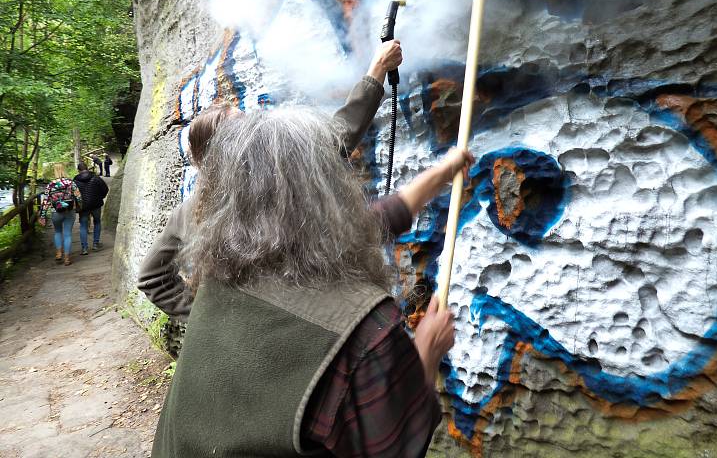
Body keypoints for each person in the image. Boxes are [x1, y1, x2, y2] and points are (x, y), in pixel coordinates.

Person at [151, 108, 472, 457]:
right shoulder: (366, 330)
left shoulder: (218, 277)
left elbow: (372, 222)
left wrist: (442, 172)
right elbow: (396, 445)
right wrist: (427, 351)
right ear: (327, 189)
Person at [138, 39, 404, 320]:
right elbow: (339, 136)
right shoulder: (280, 182)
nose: (256, 129)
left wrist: (205, 321)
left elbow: (150, 277)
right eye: (244, 128)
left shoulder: (191, 210)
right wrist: (377, 67)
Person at [38, 164, 82, 266]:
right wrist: (80, 206)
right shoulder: (71, 183)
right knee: (67, 234)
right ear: (64, 170)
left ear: (55, 171)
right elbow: (78, 197)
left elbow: (46, 201)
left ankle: (58, 253)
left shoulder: (50, 185)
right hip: (69, 211)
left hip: (55, 212)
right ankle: (67, 258)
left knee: (57, 232)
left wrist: (42, 216)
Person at [73, 162, 109, 255]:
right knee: (97, 222)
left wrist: (77, 204)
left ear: (79, 170)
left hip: (83, 207)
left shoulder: (75, 180)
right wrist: (100, 197)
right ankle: (95, 244)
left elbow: (74, 194)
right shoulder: (96, 178)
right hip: (96, 204)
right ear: (87, 168)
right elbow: (105, 189)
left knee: (83, 226)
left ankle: (84, 248)